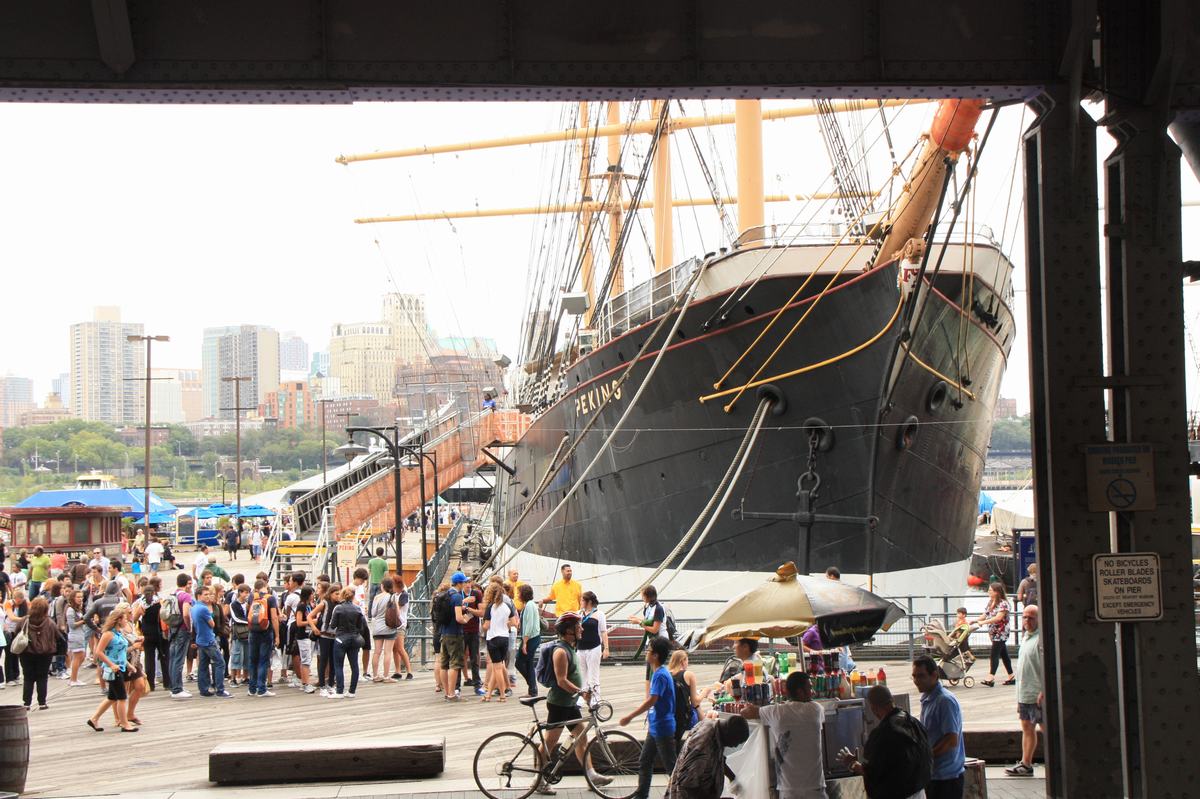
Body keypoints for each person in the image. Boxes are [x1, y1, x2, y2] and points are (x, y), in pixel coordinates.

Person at [540, 613, 609, 795]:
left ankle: (591, 774)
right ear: (569, 630)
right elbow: (561, 680)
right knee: (549, 742)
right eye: (578, 626)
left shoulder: (570, 648)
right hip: (559, 704)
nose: (582, 629)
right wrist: (580, 691)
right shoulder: (561, 652)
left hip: (569, 703)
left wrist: (582, 692)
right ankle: (538, 780)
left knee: (581, 736)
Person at [838, 684, 932, 799]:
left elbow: (872, 773)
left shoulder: (881, 734)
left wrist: (852, 763)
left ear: (873, 708)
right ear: (892, 700)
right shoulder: (914, 723)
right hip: (919, 793)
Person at [743, 672, 827, 799]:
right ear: (800, 692)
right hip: (815, 789)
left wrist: (748, 707)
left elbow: (747, 712)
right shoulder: (816, 710)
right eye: (810, 688)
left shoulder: (776, 712)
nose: (813, 692)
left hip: (788, 790)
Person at [621, 636, 677, 798]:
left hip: (662, 728)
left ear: (656, 655)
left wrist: (630, 717)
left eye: (649, 650)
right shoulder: (658, 673)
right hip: (655, 726)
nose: (646, 652)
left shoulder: (660, 675)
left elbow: (652, 700)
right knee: (645, 761)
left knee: (671, 767)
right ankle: (641, 795)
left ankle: (680, 794)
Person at [913, 655, 965, 799]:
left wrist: (926, 756)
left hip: (946, 778)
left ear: (934, 675)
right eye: (914, 676)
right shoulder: (928, 698)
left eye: (921, 676)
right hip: (934, 774)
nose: (917, 681)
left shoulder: (944, 701)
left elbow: (951, 740)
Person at [667, 714, 752, 799]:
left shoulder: (715, 728)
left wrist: (732, 778)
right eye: (735, 741)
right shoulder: (703, 745)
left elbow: (717, 759)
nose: (735, 746)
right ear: (728, 732)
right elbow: (687, 784)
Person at [1005, 605, 1043, 777]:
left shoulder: (1040, 639)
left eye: (1031, 617)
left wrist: (1044, 690)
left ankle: (1059, 762)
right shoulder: (1027, 638)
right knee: (1027, 727)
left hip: (1037, 694)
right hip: (1025, 693)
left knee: (1046, 728)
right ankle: (1026, 763)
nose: (1027, 620)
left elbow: (1046, 666)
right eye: (1025, 617)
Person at [86, 605, 137, 733]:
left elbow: (119, 652)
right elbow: (99, 651)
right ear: (118, 619)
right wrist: (111, 664)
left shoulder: (118, 633)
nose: (126, 620)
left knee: (112, 697)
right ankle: (124, 723)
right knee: (121, 697)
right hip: (113, 670)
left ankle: (94, 718)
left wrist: (128, 665)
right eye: (124, 618)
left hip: (120, 666)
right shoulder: (108, 634)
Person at [16, 596, 57, 710]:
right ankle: (42, 703)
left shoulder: (24, 620)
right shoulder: (49, 622)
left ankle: (27, 703)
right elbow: (57, 636)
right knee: (42, 677)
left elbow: (16, 633)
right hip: (45, 653)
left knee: (28, 677)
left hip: (26, 652)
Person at [191, 585, 230, 697]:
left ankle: (204, 689)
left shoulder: (194, 607)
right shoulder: (203, 608)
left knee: (203, 665)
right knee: (220, 662)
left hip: (200, 639)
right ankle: (220, 689)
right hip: (208, 639)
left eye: (208, 594)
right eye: (205, 594)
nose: (208, 597)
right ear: (199, 596)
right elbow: (212, 624)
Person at [439, 571, 472, 701]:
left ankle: (447, 692)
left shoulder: (446, 594)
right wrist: (467, 619)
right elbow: (459, 618)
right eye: (464, 582)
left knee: (444, 665)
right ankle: (452, 694)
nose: (465, 584)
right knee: (454, 664)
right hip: (455, 634)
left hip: (444, 632)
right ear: (460, 583)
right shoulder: (457, 597)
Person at [480, 580, 515, 702]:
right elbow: (514, 622)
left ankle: (502, 695)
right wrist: (506, 624)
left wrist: (483, 625)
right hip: (504, 637)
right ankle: (488, 694)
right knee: (498, 666)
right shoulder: (508, 606)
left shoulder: (491, 607)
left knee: (498, 668)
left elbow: (486, 626)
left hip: (493, 638)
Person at [330, 586, 366, 698]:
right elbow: (361, 626)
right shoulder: (357, 609)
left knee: (338, 665)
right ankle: (352, 691)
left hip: (341, 638)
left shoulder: (338, 608)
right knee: (354, 665)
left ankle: (339, 691)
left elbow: (333, 625)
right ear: (353, 596)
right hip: (354, 639)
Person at [976, 582, 1015, 686]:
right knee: (1004, 654)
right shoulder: (991, 602)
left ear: (997, 592)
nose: (988, 592)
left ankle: (990, 677)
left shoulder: (1004, 604)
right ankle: (1011, 676)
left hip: (1001, 633)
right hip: (993, 633)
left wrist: (983, 623)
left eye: (990, 590)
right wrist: (975, 621)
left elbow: (998, 618)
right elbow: (986, 614)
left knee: (994, 654)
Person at [246, 579, 280, 697]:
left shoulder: (252, 597)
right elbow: (274, 618)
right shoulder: (270, 598)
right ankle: (261, 689)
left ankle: (252, 688)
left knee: (253, 660)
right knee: (263, 660)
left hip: (253, 631)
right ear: (266, 586)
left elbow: (248, 613)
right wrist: (277, 635)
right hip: (266, 631)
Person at [136, 582, 169, 692]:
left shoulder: (141, 604)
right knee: (164, 657)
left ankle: (150, 684)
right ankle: (167, 682)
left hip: (147, 633)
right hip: (160, 633)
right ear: (154, 592)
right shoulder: (160, 602)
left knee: (149, 659)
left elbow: (135, 618)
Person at [577, 591, 609, 701]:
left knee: (593, 675)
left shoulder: (599, 614)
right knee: (582, 675)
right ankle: (582, 699)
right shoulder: (579, 614)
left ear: (589, 602)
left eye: (582, 600)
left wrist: (606, 648)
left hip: (594, 648)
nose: (580, 602)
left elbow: (603, 631)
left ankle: (596, 698)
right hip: (580, 648)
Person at [167, 574, 195, 699]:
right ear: (187, 583)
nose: (191, 586)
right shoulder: (186, 596)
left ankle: (174, 686)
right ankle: (177, 689)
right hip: (182, 629)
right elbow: (186, 614)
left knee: (173, 658)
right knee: (179, 659)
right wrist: (189, 627)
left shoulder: (172, 594)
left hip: (173, 628)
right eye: (190, 583)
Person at [368, 577, 401, 683]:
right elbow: (398, 613)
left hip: (377, 627)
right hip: (389, 627)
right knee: (387, 652)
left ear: (382, 586)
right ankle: (386, 676)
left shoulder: (377, 597)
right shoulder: (393, 597)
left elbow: (373, 613)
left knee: (376, 652)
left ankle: (375, 675)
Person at [668, 650, 701, 749]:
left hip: (669, 716)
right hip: (684, 719)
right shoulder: (689, 674)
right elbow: (695, 701)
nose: (688, 663)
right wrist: (706, 692)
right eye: (687, 660)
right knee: (698, 708)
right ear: (683, 661)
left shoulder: (666, 674)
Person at [460, 576, 485, 694]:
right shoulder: (458, 594)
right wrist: (463, 603)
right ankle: (457, 686)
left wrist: (469, 609)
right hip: (460, 630)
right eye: (465, 582)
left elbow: (481, 613)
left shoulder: (477, 594)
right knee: (460, 657)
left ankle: (477, 684)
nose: (468, 584)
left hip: (473, 630)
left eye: (469, 582)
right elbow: (454, 610)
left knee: (474, 657)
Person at [389, 576, 413, 680]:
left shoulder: (404, 595)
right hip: (394, 623)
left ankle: (409, 671)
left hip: (400, 623)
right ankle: (397, 670)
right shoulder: (394, 595)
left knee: (400, 648)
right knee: (395, 649)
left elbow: (399, 607)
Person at [3, 588, 29, 686]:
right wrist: (24, 619)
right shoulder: (9, 604)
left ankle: (16, 674)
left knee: (17, 653)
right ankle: (9, 677)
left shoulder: (24, 604)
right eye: (19, 600)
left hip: (18, 631)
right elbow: (12, 617)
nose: (20, 602)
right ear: (15, 598)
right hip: (9, 631)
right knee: (9, 654)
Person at [228, 583, 251, 687]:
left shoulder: (248, 604)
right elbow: (236, 618)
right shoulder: (233, 604)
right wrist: (249, 622)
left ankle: (246, 677)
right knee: (236, 655)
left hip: (247, 632)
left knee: (247, 655)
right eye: (245, 592)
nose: (247, 595)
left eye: (248, 593)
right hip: (238, 632)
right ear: (240, 593)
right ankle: (233, 678)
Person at [65, 590, 89, 686]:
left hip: (81, 634)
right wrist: (84, 621)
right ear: (73, 598)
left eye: (81, 597)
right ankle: (73, 679)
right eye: (78, 597)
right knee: (77, 657)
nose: (80, 599)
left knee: (82, 656)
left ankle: (73, 677)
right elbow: (72, 625)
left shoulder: (78, 609)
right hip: (75, 635)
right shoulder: (70, 610)